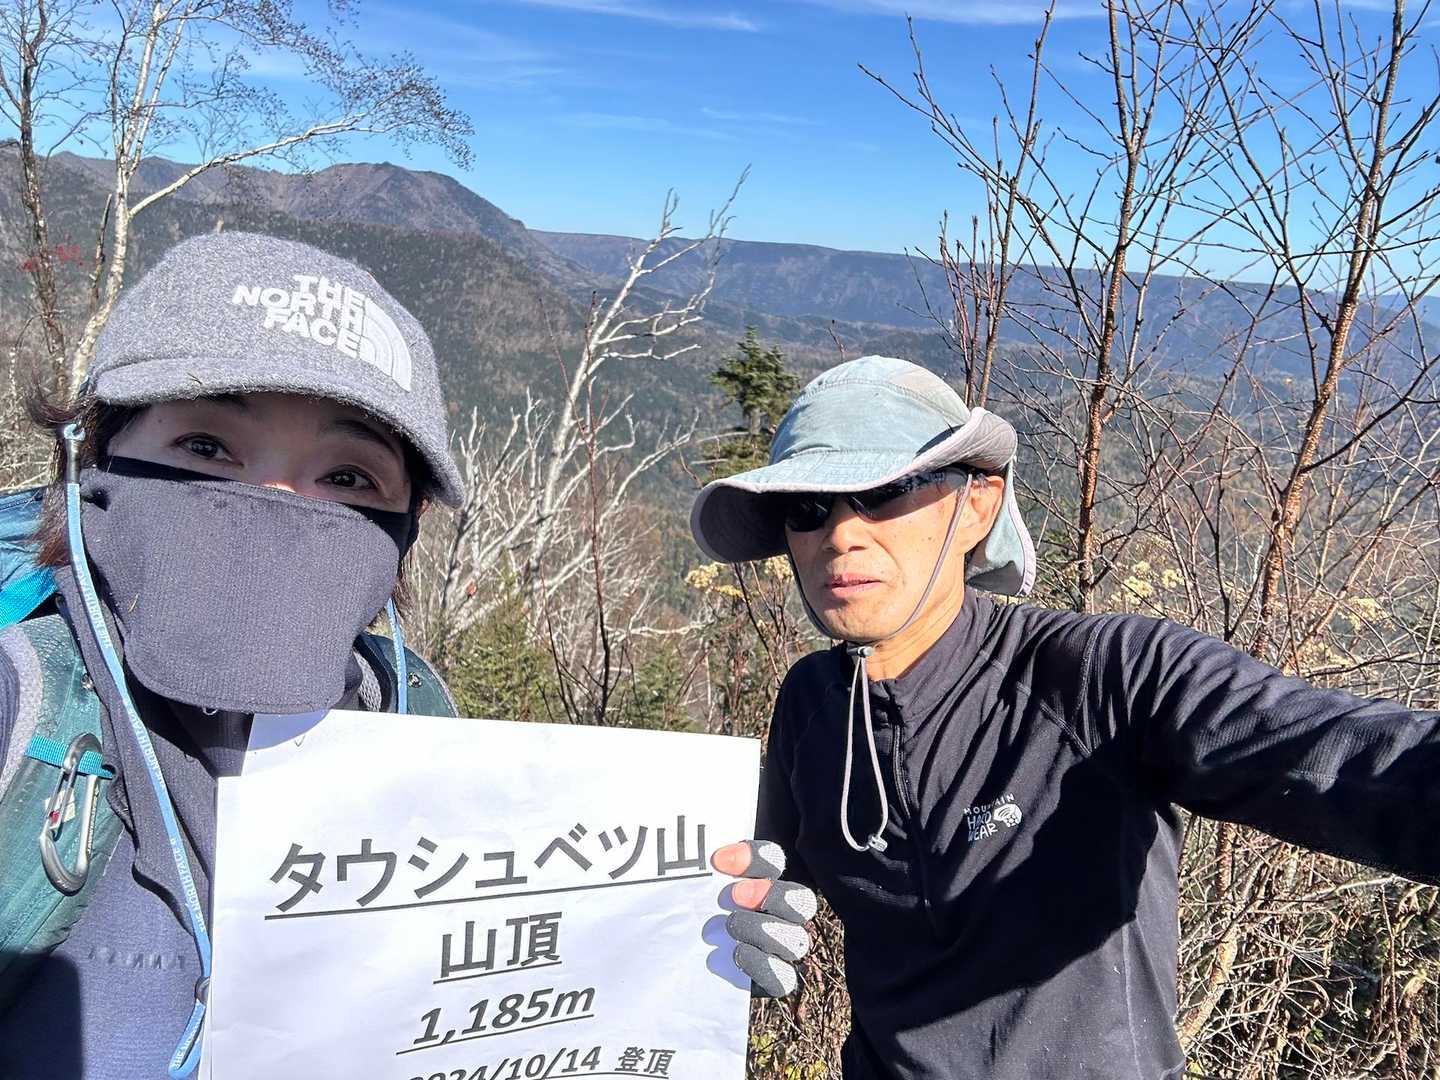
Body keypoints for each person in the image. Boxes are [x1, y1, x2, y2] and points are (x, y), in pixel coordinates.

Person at [0, 232, 797, 1079]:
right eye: (206, 447)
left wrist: (675, 939)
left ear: (405, 529)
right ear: (94, 458)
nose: (275, 503)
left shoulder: (409, 717)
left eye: (348, 478)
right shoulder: (22, 703)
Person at [697, 355, 1440, 1080]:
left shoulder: (1102, 677)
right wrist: (740, 916)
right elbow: (767, 873)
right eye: (808, 508)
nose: (841, 534)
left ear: (975, 506)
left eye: (884, 492)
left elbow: (1352, 760)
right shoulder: (810, 703)